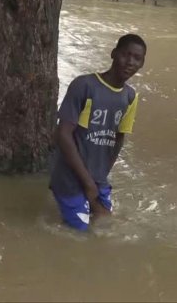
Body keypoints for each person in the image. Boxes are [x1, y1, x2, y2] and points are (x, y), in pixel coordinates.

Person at [49, 34, 147, 231]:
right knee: (79, 234)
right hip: (69, 178)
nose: (130, 62)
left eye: (137, 58)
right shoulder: (84, 85)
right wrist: (87, 183)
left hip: (97, 179)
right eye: (125, 55)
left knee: (106, 226)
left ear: (142, 64)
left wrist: (100, 177)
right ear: (113, 54)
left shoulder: (130, 97)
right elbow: (63, 134)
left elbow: (119, 137)